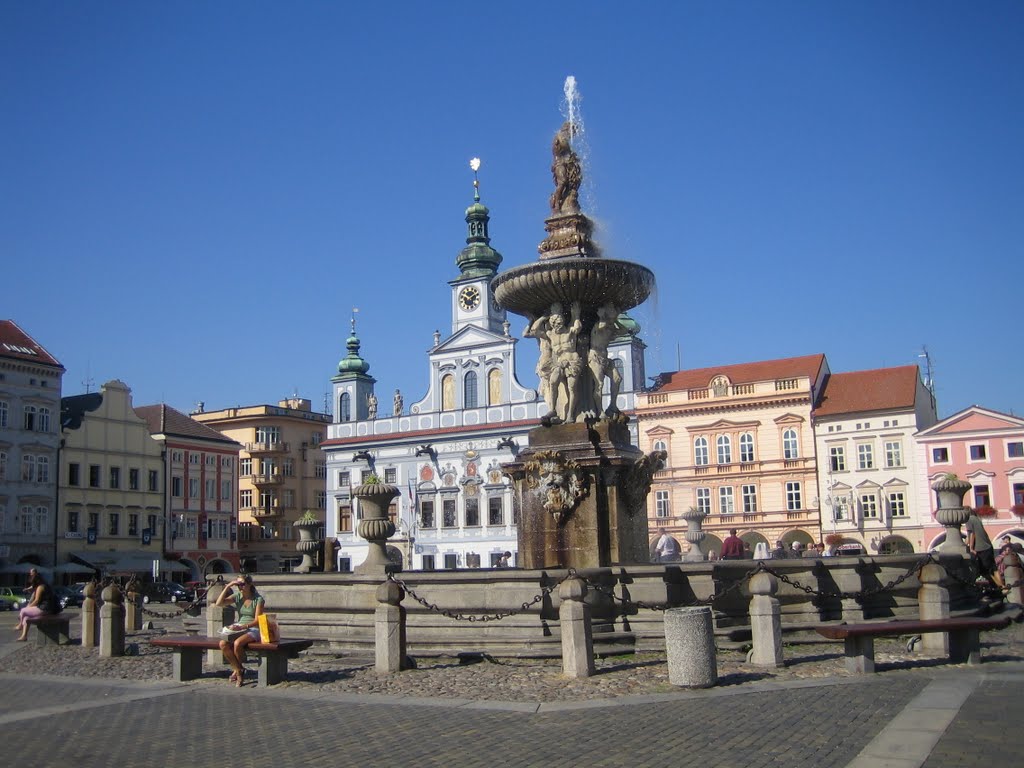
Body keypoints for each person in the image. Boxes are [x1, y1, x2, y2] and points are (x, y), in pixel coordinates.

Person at [215, 575, 265, 687]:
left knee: (238, 643)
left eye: (242, 584)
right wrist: (228, 586)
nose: (240, 587)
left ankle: (239, 674)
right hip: (239, 626)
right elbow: (219, 603)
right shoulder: (238, 596)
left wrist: (243, 627)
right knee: (223, 644)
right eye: (238, 585)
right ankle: (238, 669)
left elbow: (257, 620)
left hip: (253, 628)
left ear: (249, 584)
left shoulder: (258, 599)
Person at [15, 568, 58, 641]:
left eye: (32, 583)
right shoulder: (44, 585)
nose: (32, 585)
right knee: (26, 618)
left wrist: (28, 607)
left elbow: (36, 600)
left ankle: (20, 625)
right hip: (48, 608)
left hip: (44, 609)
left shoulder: (40, 587)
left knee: (23, 610)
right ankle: (24, 636)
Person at [964, 510, 997, 588]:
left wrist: (971, 548)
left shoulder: (968, 519)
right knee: (993, 569)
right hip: (988, 545)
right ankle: (1002, 587)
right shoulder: (976, 518)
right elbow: (969, 536)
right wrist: (965, 543)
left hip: (981, 548)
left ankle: (996, 587)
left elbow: (972, 534)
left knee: (984, 571)